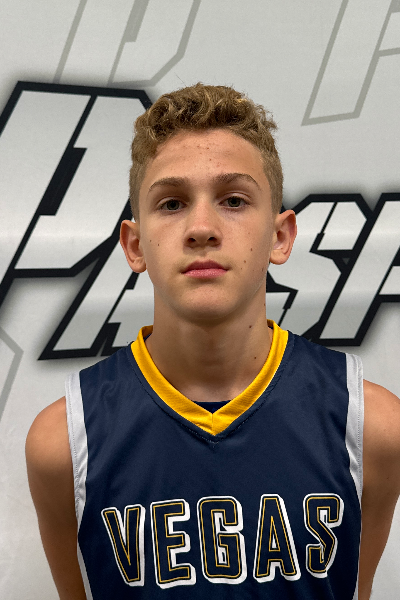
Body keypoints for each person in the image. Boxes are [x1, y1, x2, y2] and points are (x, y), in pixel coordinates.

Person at [26, 83, 400, 600]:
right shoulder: (64, 442)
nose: (201, 227)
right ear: (135, 245)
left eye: (234, 200)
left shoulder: (371, 426)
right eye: (172, 203)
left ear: (280, 236)